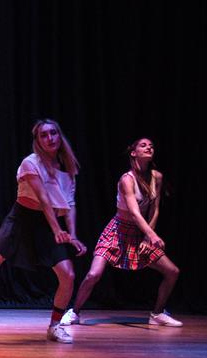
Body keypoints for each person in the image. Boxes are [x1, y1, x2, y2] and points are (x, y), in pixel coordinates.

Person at [0, 119, 87, 343]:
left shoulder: (68, 168)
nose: (50, 138)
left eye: (53, 133)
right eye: (44, 135)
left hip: (47, 225)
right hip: (21, 220)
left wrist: (73, 234)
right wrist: (57, 230)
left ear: (60, 136)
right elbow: (43, 199)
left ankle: (54, 326)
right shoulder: (30, 163)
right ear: (37, 141)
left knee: (68, 275)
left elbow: (69, 204)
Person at [60, 138, 181, 327]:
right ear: (133, 152)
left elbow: (154, 209)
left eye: (151, 145)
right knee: (93, 274)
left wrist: (148, 235)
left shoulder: (156, 177)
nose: (149, 147)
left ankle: (157, 313)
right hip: (117, 231)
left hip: (141, 232)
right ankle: (74, 312)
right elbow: (134, 212)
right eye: (143, 145)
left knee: (172, 271)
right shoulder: (127, 179)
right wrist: (152, 235)